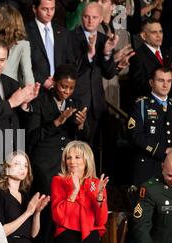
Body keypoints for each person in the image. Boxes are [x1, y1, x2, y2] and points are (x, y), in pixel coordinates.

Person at [27, 63, 88, 243]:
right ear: (53, 83)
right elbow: (32, 137)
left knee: (64, 216)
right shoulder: (39, 101)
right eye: (63, 87)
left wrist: (80, 125)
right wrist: (58, 121)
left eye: (71, 88)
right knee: (45, 216)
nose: (67, 92)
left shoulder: (76, 102)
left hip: (66, 165)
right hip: (43, 165)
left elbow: (81, 138)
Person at [50, 140, 109, 243]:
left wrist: (100, 197)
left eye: (77, 157)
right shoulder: (58, 181)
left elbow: (101, 220)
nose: (72, 161)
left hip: (90, 242)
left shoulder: (96, 183)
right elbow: (59, 217)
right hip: (67, 240)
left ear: (86, 159)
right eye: (68, 158)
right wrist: (74, 190)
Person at [127, 66, 172, 187]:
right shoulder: (141, 105)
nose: (165, 85)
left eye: (169, 81)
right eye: (161, 80)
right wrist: (164, 150)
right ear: (151, 82)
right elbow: (135, 137)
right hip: (148, 168)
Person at [70, 2, 117, 145]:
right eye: (86, 16)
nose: (90, 21)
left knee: (92, 150)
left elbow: (109, 74)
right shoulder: (70, 37)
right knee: (75, 146)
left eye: (94, 17)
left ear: (101, 18)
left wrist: (107, 54)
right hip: (76, 102)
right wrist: (89, 55)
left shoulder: (104, 40)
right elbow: (71, 72)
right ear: (81, 17)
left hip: (97, 104)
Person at [129, 18, 172, 100]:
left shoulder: (167, 53)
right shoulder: (137, 55)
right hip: (150, 103)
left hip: (170, 102)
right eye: (154, 32)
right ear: (143, 36)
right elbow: (138, 85)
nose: (159, 35)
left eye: (160, 31)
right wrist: (169, 77)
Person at [26, 0, 75, 92]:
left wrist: (61, 79)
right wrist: (43, 81)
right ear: (34, 9)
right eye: (45, 9)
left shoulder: (63, 33)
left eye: (52, 9)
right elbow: (24, 65)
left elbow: (70, 62)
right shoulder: (25, 32)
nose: (49, 13)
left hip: (60, 90)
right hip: (35, 90)